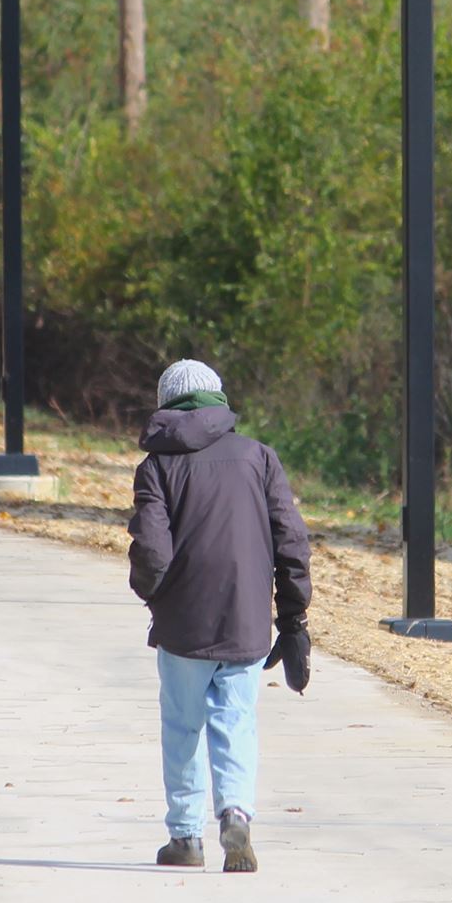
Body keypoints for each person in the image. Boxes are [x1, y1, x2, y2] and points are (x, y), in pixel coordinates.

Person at [128, 358, 312, 873]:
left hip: (182, 624)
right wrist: (293, 620)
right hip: (245, 619)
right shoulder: (258, 456)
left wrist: (154, 595)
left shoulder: (156, 467)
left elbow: (151, 551)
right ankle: (235, 813)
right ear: (218, 400)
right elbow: (291, 541)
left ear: (165, 405)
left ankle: (186, 838)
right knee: (236, 720)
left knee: (183, 727)